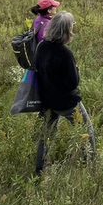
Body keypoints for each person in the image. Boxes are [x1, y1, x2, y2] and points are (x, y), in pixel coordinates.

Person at [33, 11, 82, 175]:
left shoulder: (41, 47)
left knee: (45, 135)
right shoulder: (65, 54)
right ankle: (89, 160)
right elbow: (73, 83)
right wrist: (77, 71)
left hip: (46, 100)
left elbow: (37, 70)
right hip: (65, 103)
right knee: (84, 131)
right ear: (67, 31)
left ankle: (40, 169)